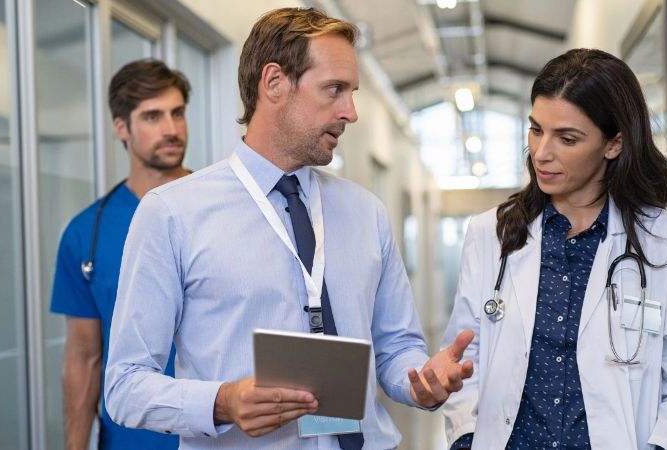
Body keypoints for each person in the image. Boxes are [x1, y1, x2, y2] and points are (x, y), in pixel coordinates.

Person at [104, 7, 474, 450]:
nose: (350, 112)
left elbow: (396, 348)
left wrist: (421, 380)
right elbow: (125, 386)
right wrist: (221, 401)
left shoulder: (366, 212)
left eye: (352, 92)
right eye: (334, 90)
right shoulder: (172, 213)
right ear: (275, 82)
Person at [442, 48, 667, 450]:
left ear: (614, 144)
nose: (541, 153)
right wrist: (466, 438)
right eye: (536, 129)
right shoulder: (491, 233)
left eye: (567, 138)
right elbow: (463, 353)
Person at [50, 59, 192, 450]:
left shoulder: (225, 209)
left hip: (224, 437)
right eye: (152, 116)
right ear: (122, 128)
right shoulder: (86, 234)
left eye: (177, 113)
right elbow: (84, 357)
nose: (171, 129)